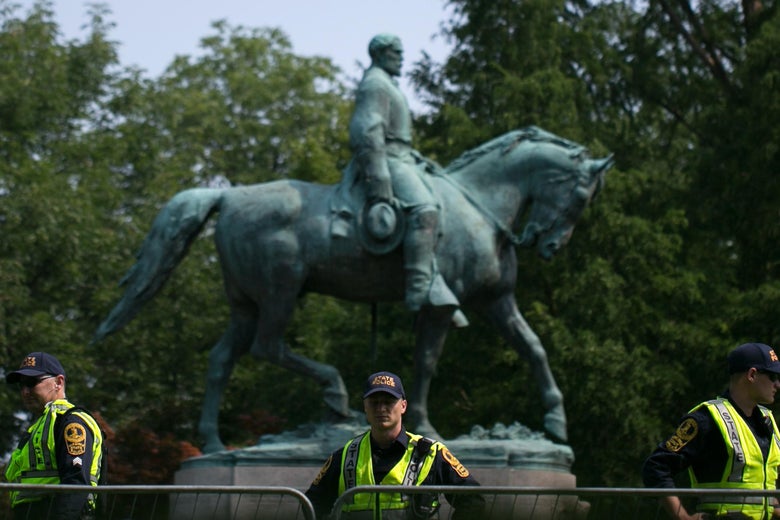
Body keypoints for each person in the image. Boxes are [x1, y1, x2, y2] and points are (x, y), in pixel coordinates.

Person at [349, 34, 461, 316]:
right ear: (381, 53)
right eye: (397, 53)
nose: (402, 58)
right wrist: (379, 176)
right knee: (425, 211)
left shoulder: (387, 83)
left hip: (405, 158)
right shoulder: (375, 84)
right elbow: (366, 132)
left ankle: (435, 281)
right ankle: (419, 289)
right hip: (389, 161)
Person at [305, 371, 484, 519]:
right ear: (365, 408)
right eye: (374, 403)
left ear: (403, 406)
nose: (381, 408)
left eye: (389, 402)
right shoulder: (345, 455)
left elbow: (473, 501)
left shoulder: (430, 453)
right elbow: (311, 505)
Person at [643, 342, 780, 520]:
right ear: (752, 374)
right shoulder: (706, 418)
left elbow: (762, 485)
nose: (777, 384)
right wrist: (683, 517)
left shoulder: (767, 420)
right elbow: (656, 467)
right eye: (773, 376)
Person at [4, 352, 105, 520]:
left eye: (31, 382)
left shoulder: (71, 422)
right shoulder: (39, 426)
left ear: (58, 382)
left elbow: (76, 485)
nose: (25, 391)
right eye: (21, 385)